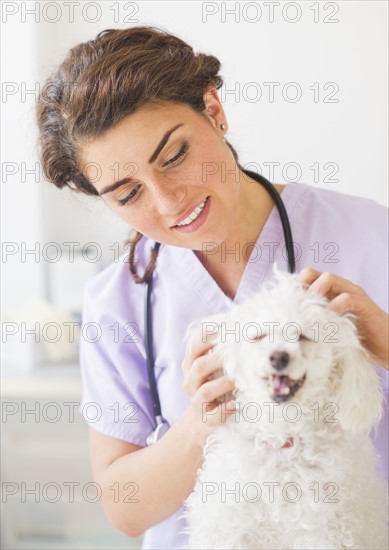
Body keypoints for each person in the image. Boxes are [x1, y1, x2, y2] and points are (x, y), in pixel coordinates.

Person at [36, 26, 388, 550]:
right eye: (128, 192)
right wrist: (200, 424)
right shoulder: (120, 301)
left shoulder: (370, 236)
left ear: (213, 108)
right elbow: (124, 507)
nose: (167, 202)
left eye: (174, 155)